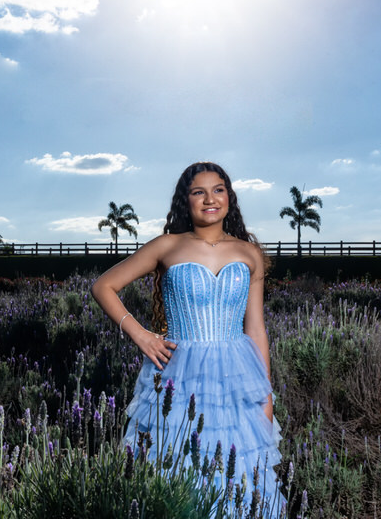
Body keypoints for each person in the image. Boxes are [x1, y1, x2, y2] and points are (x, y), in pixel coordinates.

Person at [91, 161, 285, 516]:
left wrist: (265, 392)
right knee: (178, 467)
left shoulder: (249, 253)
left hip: (236, 378)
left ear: (230, 197)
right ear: (187, 200)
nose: (210, 199)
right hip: (180, 376)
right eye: (199, 191)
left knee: (241, 475)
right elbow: (104, 286)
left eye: (218, 190)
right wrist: (142, 335)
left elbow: (255, 328)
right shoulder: (168, 245)